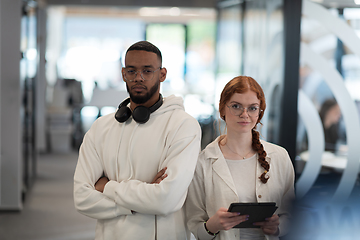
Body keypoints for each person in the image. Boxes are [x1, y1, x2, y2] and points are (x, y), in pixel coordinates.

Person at [73, 41, 201, 240]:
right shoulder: (101, 128)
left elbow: (166, 201)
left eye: (147, 71)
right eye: (131, 71)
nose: (138, 78)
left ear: (162, 74)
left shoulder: (183, 126)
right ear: (124, 74)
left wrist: (108, 187)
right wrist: (145, 196)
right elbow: (82, 198)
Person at [185, 76, 295, 240]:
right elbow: (194, 228)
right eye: (236, 106)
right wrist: (212, 226)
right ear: (222, 109)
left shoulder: (279, 157)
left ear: (260, 113)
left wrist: (278, 226)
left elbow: (291, 215)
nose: (245, 114)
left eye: (252, 108)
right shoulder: (202, 162)